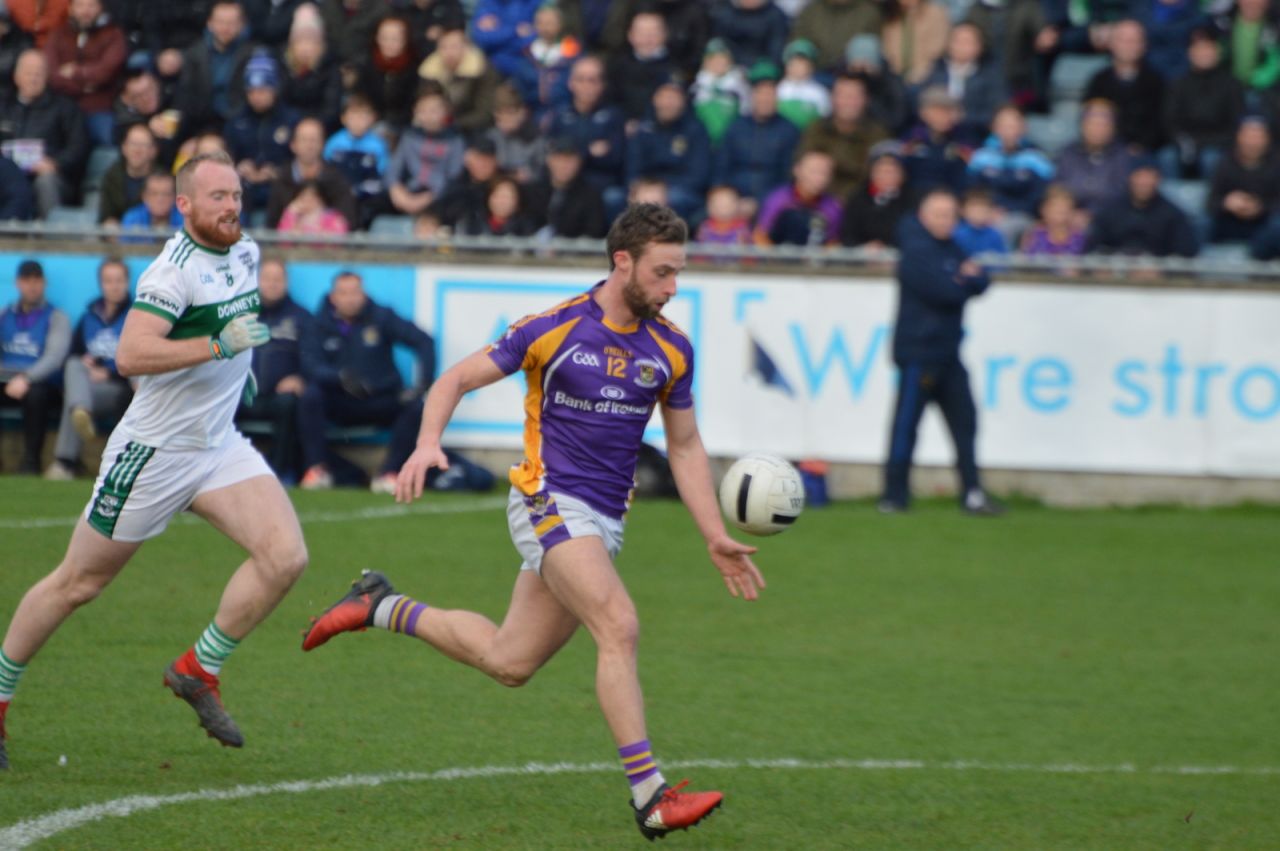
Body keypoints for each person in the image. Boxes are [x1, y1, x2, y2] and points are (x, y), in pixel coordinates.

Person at [299, 202, 764, 841]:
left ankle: (378, 604)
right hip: (546, 499)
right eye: (662, 273)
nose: (671, 288)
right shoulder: (556, 326)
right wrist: (427, 441)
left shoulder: (671, 348)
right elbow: (456, 378)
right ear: (622, 261)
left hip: (603, 522)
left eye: (677, 274)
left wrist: (713, 533)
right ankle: (650, 795)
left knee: (509, 661)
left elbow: (683, 447)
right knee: (618, 625)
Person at [0, 151, 310, 770]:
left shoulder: (246, 251)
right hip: (155, 452)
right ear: (184, 205)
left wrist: (237, 370)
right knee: (77, 584)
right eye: (217, 196)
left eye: (237, 194)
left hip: (215, 443)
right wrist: (219, 345)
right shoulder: (172, 273)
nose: (231, 206)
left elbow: (236, 321)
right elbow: (132, 355)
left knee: (285, 557)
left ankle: (198, 668)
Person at [881, 189, 1002, 517]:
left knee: (966, 424)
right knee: (906, 426)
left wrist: (962, 279)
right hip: (918, 353)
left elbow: (983, 281)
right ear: (924, 215)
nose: (945, 220)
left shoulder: (953, 247)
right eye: (938, 213)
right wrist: (962, 279)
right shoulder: (916, 250)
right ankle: (894, 495)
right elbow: (944, 292)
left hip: (949, 354)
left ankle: (972, 493)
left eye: (950, 214)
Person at [297, 270, 435, 492]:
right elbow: (310, 364)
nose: (350, 298)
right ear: (333, 297)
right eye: (344, 293)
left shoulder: (382, 316)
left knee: (415, 406)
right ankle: (317, 470)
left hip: (379, 399)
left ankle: (388, 473)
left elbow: (424, 341)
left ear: (364, 294)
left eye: (355, 292)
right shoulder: (318, 324)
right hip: (339, 400)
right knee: (310, 397)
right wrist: (339, 377)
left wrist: (423, 384)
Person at [44, 258, 133, 481]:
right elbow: (71, 356)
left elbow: (140, 362)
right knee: (74, 366)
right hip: (88, 385)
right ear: (101, 284)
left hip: (117, 388)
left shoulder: (136, 317)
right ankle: (81, 409)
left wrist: (108, 373)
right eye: (108, 280)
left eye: (119, 280)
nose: (114, 286)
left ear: (127, 282)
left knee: (73, 400)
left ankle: (64, 463)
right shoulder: (88, 317)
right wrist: (86, 366)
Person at [235, 257, 310, 483]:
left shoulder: (302, 318)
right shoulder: (239, 315)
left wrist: (300, 378)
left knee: (290, 404)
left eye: (278, 279)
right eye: (267, 278)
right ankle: (227, 471)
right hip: (242, 394)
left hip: (279, 397)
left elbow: (313, 358)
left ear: (286, 282)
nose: (272, 284)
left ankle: (279, 473)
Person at [0, 259, 70, 474]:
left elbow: (54, 358)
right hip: (7, 380)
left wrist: (26, 378)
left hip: (41, 384)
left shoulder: (56, 316)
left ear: (44, 283)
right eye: (26, 280)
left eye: (36, 280)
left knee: (36, 396)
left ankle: (31, 462)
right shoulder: (5, 314)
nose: (32, 285)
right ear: (17, 283)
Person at [0, 48, 89, 217]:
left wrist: (55, 164)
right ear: (16, 76)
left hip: (49, 175)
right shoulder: (3, 105)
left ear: (47, 76)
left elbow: (79, 146)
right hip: (7, 174)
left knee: (45, 182)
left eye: (38, 74)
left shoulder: (65, 107)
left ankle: (48, 240)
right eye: (28, 73)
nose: (33, 79)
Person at [42, 0, 127, 146]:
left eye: (91, 5)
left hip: (97, 107)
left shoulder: (114, 35)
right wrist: (82, 88)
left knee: (108, 145)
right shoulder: (58, 34)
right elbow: (51, 73)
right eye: (80, 5)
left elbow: (105, 72)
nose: (85, 11)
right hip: (62, 106)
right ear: (71, 9)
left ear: (100, 8)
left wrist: (75, 72)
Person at [1085, 157, 1199, 256]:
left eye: (1150, 176)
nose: (1144, 182)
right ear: (1130, 178)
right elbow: (1094, 246)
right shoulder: (1110, 210)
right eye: (1139, 176)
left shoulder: (1173, 214)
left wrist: (1160, 268)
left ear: (1158, 179)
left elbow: (1186, 252)